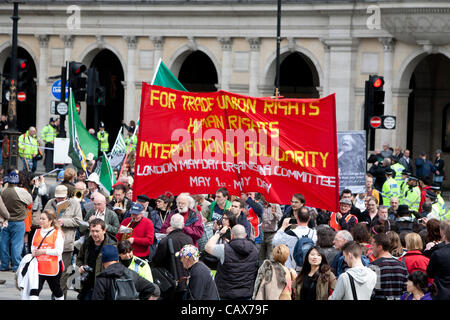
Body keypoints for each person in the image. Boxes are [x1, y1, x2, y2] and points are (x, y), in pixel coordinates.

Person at [43, 184, 83, 297]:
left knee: (63, 273)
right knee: (52, 272)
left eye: (62, 198)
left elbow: (79, 221)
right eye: (58, 197)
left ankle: (61, 295)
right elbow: (43, 219)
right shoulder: (50, 203)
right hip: (51, 244)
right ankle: (55, 293)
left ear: (66, 196)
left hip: (66, 244)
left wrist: (64, 221)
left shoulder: (74, 204)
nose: (59, 199)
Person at [205, 224, 259, 300]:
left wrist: (219, 233)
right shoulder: (254, 250)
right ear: (245, 235)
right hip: (246, 294)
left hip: (226, 294)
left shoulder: (224, 249)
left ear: (232, 235)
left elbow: (207, 247)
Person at [92, 245, 160, 300]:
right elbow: (150, 288)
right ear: (117, 259)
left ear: (103, 262)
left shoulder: (101, 279)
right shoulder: (130, 273)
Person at [152, 213, 194, 300]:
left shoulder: (165, 241)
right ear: (182, 225)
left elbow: (156, 261)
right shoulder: (189, 239)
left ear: (171, 224)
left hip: (169, 281)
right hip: (185, 279)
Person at [76, 218, 117, 300]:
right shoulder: (87, 243)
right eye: (92, 231)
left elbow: (116, 267)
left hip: (104, 287)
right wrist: (81, 267)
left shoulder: (112, 245)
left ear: (104, 230)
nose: (94, 234)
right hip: (87, 285)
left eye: (97, 231)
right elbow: (79, 259)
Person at [0, 170, 33, 272]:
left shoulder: (3, 191)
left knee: (3, 243)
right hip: (19, 221)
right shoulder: (21, 191)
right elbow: (30, 202)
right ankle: (17, 265)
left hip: (5, 221)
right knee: (17, 244)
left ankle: (4, 264)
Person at [28, 209, 65, 300]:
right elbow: (33, 246)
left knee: (56, 290)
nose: (40, 221)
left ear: (50, 221)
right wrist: (34, 251)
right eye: (40, 218)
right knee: (34, 290)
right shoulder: (36, 232)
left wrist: (43, 251)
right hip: (38, 266)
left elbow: (58, 251)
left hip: (52, 267)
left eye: (43, 219)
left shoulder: (57, 233)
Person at [370, 233, 409, 300]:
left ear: (380, 247)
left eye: (373, 245)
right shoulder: (401, 266)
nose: (371, 247)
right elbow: (406, 290)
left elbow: (372, 292)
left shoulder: (374, 266)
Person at [426, 220, 450, 300]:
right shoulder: (437, 253)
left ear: (442, 232)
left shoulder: (438, 254)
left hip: (442, 293)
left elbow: (430, 273)